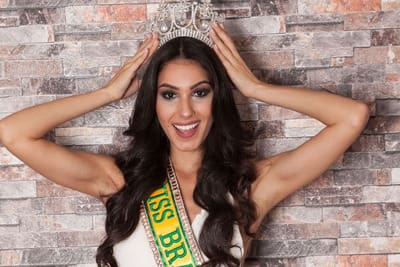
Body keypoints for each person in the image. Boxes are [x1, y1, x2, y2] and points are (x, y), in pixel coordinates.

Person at [0, 22, 369, 267]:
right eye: (168, 95)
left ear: (217, 98)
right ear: (153, 103)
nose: (186, 111)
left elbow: (351, 117)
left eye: (201, 92)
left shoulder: (250, 188)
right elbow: (14, 132)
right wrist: (107, 93)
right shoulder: (119, 182)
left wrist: (256, 88)